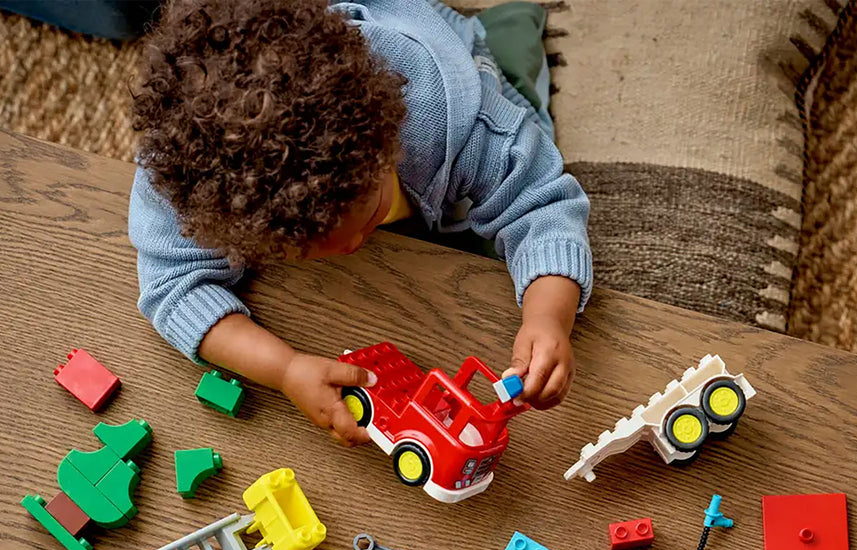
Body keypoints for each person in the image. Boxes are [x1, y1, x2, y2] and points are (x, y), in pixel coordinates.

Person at [128, 0, 591, 446]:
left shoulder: (444, 114)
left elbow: (542, 202)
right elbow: (173, 285)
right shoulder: (193, 184)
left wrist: (548, 317)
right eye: (306, 249)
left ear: (388, 138)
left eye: (369, 214)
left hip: (447, 67)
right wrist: (285, 369)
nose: (352, 246)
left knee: (523, 121)